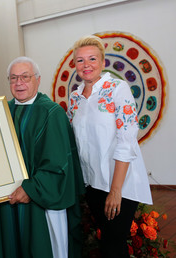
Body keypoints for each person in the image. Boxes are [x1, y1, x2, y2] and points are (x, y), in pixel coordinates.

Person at [0, 56, 85, 258]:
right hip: (7, 199)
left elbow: (58, 164)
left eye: (25, 77)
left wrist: (30, 189)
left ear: (38, 80)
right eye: (13, 78)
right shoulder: (2, 110)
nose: (18, 83)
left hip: (40, 202)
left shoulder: (52, 113)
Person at [67, 35, 153, 257]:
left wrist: (116, 191)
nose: (86, 65)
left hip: (120, 183)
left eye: (92, 59)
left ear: (102, 62)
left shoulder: (117, 88)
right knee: (109, 244)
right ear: (74, 64)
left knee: (113, 246)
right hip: (93, 184)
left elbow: (126, 140)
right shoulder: (75, 97)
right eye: (80, 60)